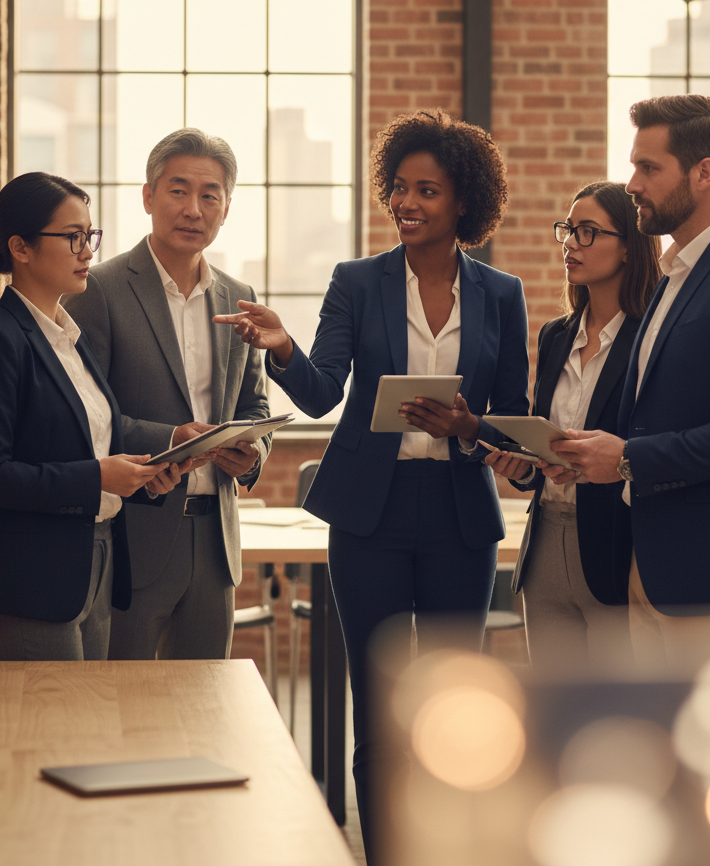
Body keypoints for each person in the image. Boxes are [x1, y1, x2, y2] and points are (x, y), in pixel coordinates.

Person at [215, 109, 529, 859]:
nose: (407, 203)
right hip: (370, 517)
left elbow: (512, 414)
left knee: (455, 703)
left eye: (428, 191)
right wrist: (282, 347)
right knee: (380, 703)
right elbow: (323, 392)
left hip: (458, 515)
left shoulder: (502, 293)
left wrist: (469, 426)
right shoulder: (356, 282)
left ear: (464, 202)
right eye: (400, 188)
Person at [551, 94, 710, 673]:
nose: (633, 184)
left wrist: (628, 459)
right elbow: (657, 414)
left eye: (648, 167)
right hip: (651, 567)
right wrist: (585, 457)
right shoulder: (672, 279)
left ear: (703, 173)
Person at [0, 172, 182, 660]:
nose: (87, 252)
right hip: (28, 580)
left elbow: (91, 441)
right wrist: (99, 477)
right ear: (21, 247)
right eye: (73, 236)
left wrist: (142, 478)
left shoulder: (71, 339)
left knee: (86, 711)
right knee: (46, 712)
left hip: (95, 565)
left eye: (90, 235)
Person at [63, 128, 271, 661]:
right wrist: (170, 438)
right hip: (132, 537)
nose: (193, 209)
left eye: (210, 195)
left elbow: (255, 404)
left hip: (216, 542)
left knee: (206, 699)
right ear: (148, 197)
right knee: (121, 700)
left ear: (226, 209)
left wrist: (253, 455)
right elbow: (84, 416)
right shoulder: (99, 289)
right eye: (178, 191)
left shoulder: (240, 296)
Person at [487, 182, 661, 673]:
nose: (570, 244)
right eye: (568, 230)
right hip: (544, 548)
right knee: (553, 708)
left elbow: (650, 446)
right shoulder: (556, 335)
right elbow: (545, 444)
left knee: (619, 709)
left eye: (588, 232)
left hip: (615, 549)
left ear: (628, 246)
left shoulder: (651, 337)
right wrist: (523, 466)